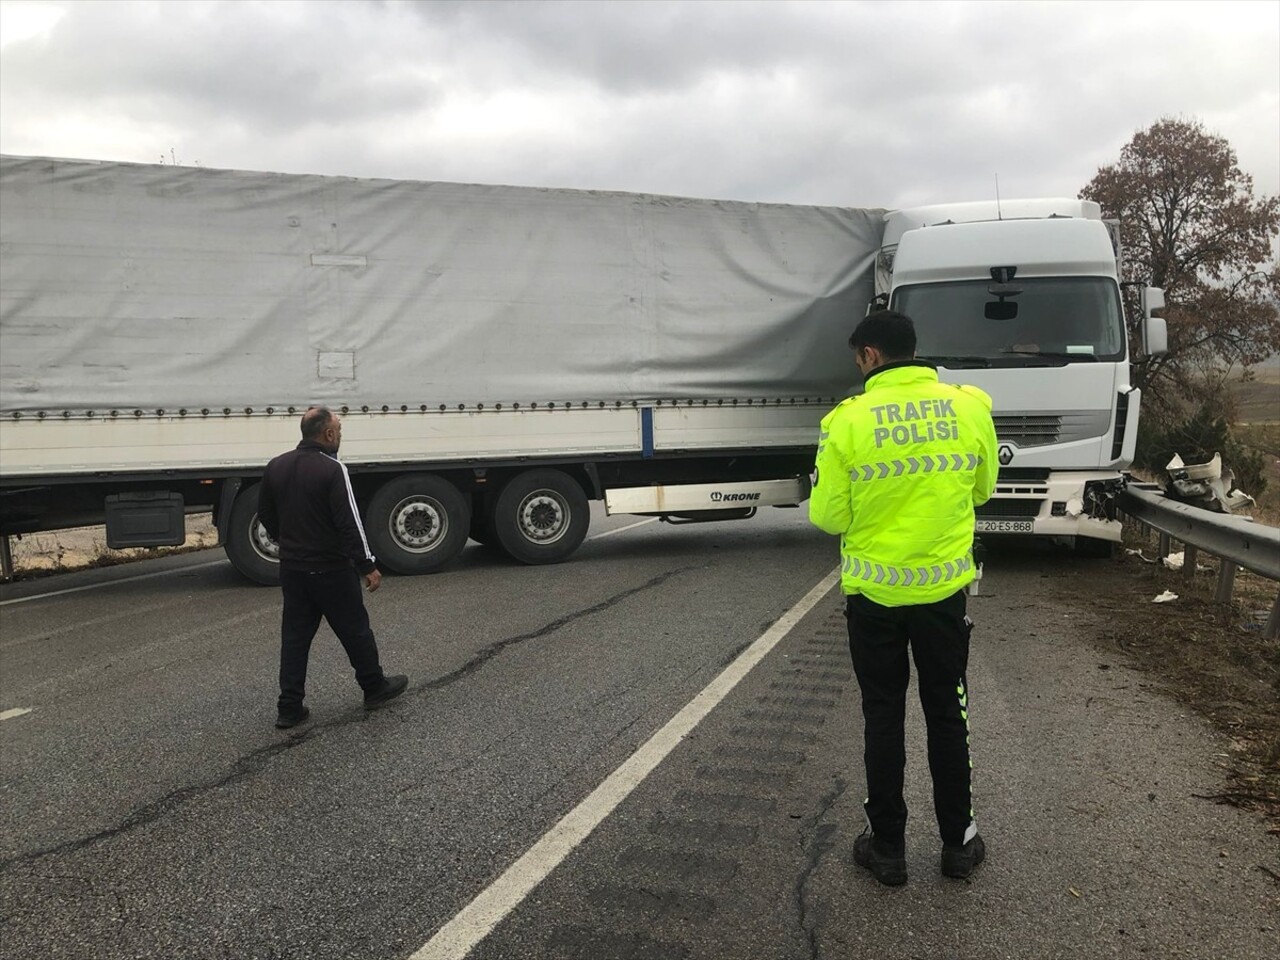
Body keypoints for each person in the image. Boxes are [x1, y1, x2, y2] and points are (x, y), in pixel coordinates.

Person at [809, 310, 997, 885]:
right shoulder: (969, 407)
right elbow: (983, 489)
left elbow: (827, 515)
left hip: (875, 599)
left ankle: (888, 848)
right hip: (943, 595)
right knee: (947, 712)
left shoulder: (847, 422)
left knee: (883, 714)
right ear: (913, 348)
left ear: (869, 355)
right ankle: (958, 843)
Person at [258, 406, 408, 729]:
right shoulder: (332, 469)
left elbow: (266, 514)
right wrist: (367, 564)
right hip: (330, 568)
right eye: (338, 429)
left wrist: (287, 541)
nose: (340, 433)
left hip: (294, 569)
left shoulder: (276, 466)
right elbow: (349, 522)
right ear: (327, 435)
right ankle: (374, 687)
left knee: (295, 637)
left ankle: (289, 707)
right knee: (355, 629)